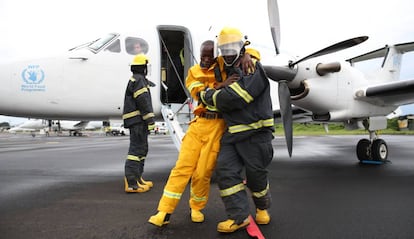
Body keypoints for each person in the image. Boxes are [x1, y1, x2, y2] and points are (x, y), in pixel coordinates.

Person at [148, 40, 258, 227]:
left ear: (216, 56)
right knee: (182, 168)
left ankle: (196, 207)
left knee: (203, 172)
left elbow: (242, 55)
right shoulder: (193, 72)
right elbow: (201, 95)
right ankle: (164, 211)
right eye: (202, 55)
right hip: (199, 125)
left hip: (218, 127)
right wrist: (222, 84)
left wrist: (248, 54)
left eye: (209, 56)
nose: (205, 59)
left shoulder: (223, 65)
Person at [199, 27, 274, 233]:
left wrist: (208, 95)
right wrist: (213, 92)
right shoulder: (226, 67)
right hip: (233, 135)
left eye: (233, 48)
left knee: (256, 176)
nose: (228, 53)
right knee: (225, 171)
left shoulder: (252, 67)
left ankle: (262, 208)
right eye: (224, 49)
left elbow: (236, 98)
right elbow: (204, 66)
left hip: (255, 135)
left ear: (242, 47)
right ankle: (238, 216)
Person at [123, 54, 156, 193]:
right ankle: (131, 183)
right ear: (143, 67)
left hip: (137, 121)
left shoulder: (138, 80)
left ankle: (137, 178)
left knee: (142, 150)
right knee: (136, 151)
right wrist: (150, 120)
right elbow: (143, 101)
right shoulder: (139, 81)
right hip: (138, 121)